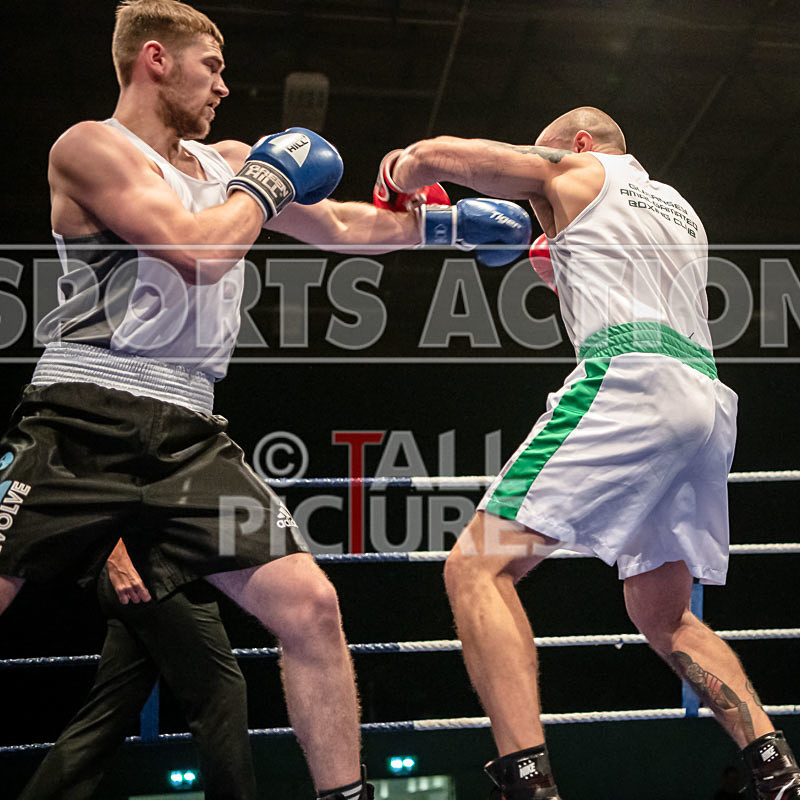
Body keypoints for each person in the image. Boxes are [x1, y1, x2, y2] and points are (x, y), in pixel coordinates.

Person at [0, 1, 530, 798]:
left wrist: (451, 227)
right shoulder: (90, 147)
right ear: (154, 59)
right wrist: (266, 181)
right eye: (210, 66)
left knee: (311, 606)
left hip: (189, 433)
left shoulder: (228, 163)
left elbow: (346, 227)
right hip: (81, 412)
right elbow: (196, 252)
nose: (223, 85)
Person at [378, 107, 800, 800]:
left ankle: (527, 782)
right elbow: (589, 267)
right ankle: (775, 768)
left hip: (630, 379)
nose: (542, 194)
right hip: (704, 398)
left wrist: (405, 169)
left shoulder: (580, 168)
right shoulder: (676, 207)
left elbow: (455, 154)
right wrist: (545, 245)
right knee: (664, 616)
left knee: (476, 570)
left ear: (577, 146)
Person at [18, 539, 257, 800]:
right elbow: (100, 501)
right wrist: (115, 554)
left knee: (105, 715)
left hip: (150, 574)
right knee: (221, 695)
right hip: (158, 574)